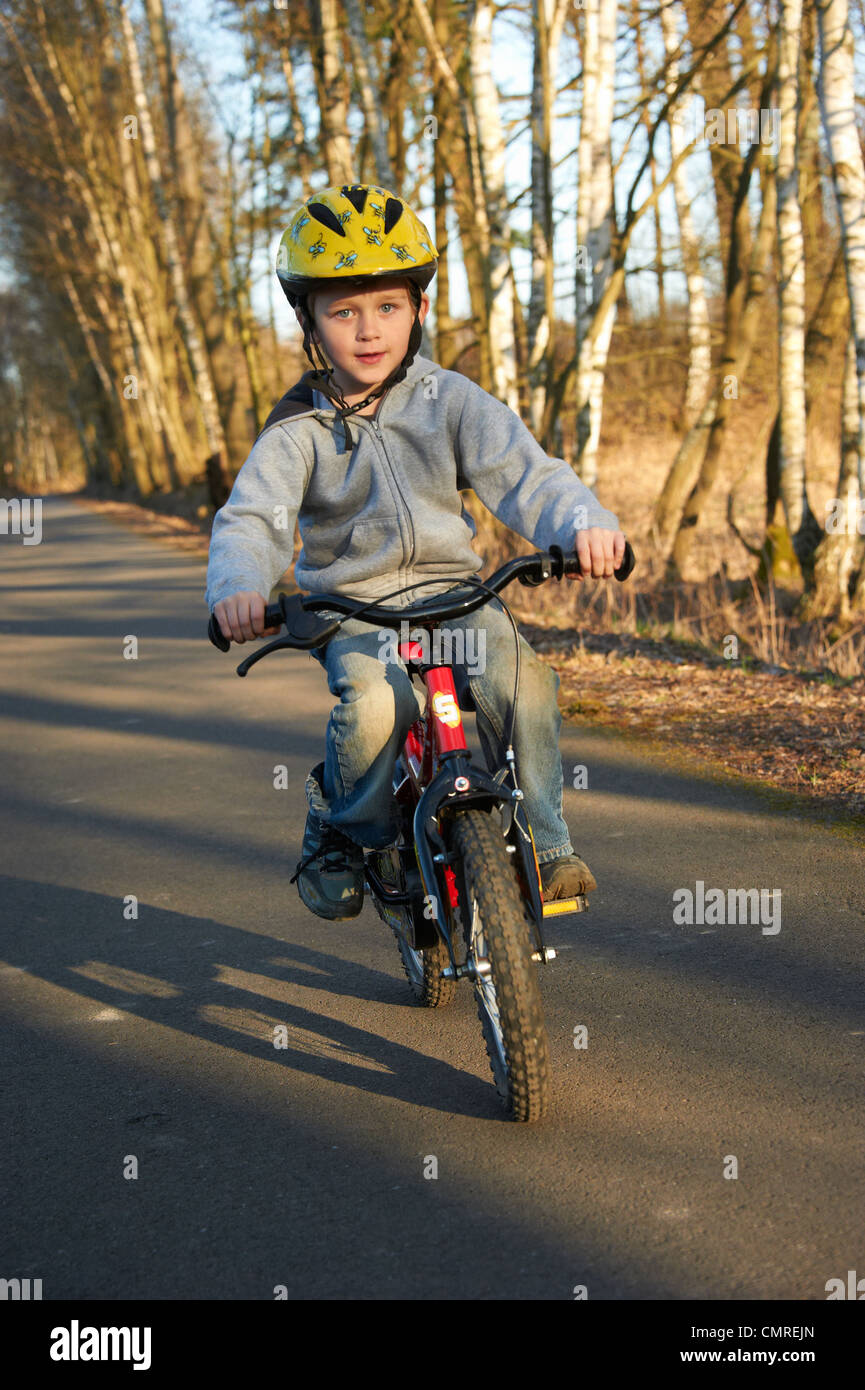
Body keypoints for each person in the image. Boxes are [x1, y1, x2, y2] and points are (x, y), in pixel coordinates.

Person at [206, 182, 626, 920]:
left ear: (419, 310)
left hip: (457, 596)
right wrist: (238, 588)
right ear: (309, 321)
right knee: (374, 704)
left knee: (525, 687)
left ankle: (549, 845)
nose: (368, 331)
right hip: (357, 610)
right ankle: (342, 827)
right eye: (343, 312)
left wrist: (583, 524)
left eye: (388, 308)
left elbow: (527, 476)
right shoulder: (294, 431)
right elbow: (252, 521)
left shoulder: (452, 401)